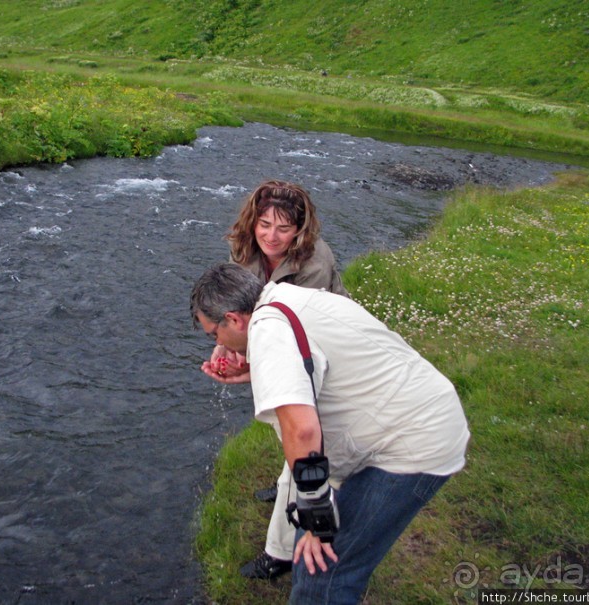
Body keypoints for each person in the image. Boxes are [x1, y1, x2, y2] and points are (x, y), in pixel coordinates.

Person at [191, 264, 470, 604]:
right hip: (421, 411)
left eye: (214, 334)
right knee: (308, 548)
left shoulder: (267, 332)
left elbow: (303, 430)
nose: (218, 344)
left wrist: (317, 521)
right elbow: (315, 363)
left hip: (415, 442)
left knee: (320, 573)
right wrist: (258, 371)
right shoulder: (287, 297)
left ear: (234, 319)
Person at [211, 180, 349, 580]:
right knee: (287, 427)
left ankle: (280, 554)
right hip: (280, 339)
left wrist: (246, 356)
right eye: (264, 224)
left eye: (283, 228)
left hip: (320, 346)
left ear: (300, 231)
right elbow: (239, 307)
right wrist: (226, 342)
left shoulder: (315, 265)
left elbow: (292, 335)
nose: (271, 236)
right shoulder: (244, 246)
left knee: (306, 437)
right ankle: (289, 477)